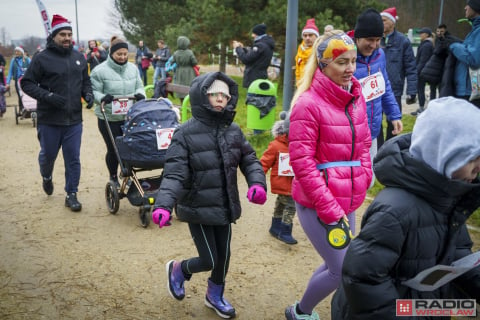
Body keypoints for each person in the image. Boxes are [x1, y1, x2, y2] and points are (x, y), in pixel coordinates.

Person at [331, 97, 480, 319]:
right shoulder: (394, 211)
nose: (479, 166)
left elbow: (458, 253)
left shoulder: (447, 200)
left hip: (422, 306)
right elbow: (362, 278)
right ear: (445, 154)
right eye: (473, 158)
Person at [150, 71, 267, 319]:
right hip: (197, 207)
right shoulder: (185, 133)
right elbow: (174, 174)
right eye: (214, 94)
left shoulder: (233, 130)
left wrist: (257, 183)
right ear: (202, 96)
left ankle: (214, 295)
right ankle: (179, 269)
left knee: (223, 257)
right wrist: (163, 205)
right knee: (210, 258)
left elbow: (250, 159)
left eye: (225, 95)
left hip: (224, 205)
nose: (220, 99)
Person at [284, 30, 373, 320]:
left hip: (346, 200)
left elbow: (364, 145)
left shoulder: (355, 98)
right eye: (341, 63)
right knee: (342, 269)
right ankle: (300, 312)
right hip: (317, 203)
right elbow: (302, 162)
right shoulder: (307, 104)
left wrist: (365, 176)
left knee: (337, 263)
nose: (350, 69)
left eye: (353, 61)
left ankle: (302, 308)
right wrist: (328, 206)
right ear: (323, 65)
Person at [20, 14, 93, 212]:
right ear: (54, 36)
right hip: (50, 120)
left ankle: (71, 194)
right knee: (48, 156)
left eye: (69, 34)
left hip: (74, 120)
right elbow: (26, 83)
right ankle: (46, 175)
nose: (67, 38)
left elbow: (85, 81)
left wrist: (88, 94)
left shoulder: (79, 57)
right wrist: (48, 96)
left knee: (73, 159)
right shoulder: (42, 58)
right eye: (63, 34)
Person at [352, 8, 403, 178]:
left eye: (378, 40)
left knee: (369, 179)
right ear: (357, 37)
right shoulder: (344, 55)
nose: (373, 45)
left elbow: (384, 85)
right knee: (350, 181)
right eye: (369, 39)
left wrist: (394, 115)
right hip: (349, 132)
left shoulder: (380, 54)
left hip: (372, 130)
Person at [90, 36, 145, 187]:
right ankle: (113, 176)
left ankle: (127, 175)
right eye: (118, 54)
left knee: (129, 148)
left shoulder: (133, 69)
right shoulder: (99, 71)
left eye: (125, 54)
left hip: (129, 117)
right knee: (114, 149)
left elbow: (139, 86)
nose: (122, 57)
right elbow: (94, 91)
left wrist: (141, 94)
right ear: (111, 53)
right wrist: (103, 97)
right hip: (108, 117)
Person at [379, 7, 417, 145]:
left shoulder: (403, 41)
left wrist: (412, 91)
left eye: (383, 20)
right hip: (375, 89)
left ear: (392, 22)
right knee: (376, 124)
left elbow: (411, 67)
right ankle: (377, 151)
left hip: (394, 90)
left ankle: (389, 151)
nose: (381, 23)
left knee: (393, 125)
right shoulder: (375, 40)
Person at [260, 111, 297, 245]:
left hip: (293, 183)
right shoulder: (276, 145)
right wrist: (257, 177)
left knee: (281, 204)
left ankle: (275, 227)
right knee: (291, 205)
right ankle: (285, 231)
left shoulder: (299, 146)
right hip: (281, 182)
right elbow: (265, 161)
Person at [449, 0, 480, 107]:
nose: (465, 8)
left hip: (471, 93)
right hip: (467, 90)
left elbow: (474, 60)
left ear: (476, 8)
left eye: (469, 5)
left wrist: (454, 45)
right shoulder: (475, 30)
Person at [233, 23, 275, 88]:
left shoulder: (260, 45)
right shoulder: (266, 44)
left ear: (257, 33)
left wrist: (237, 48)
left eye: (253, 33)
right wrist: (243, 48)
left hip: (254, 79)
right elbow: (254, 55)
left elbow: (246, 59)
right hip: (260, 76)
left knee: (253, 97)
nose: (252, 35)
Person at [411, 27, 434, 116]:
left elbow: (423, 60)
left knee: (420, 88)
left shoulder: (426, 45)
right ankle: (423, 107)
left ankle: (421, 108)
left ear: (427, 34)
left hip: (423, 71)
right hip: (425, 70)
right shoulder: (426, 43)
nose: (420, 34)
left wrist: (416, 71)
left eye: (422, 33)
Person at [170, 36, 198, 104]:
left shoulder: (176, 53)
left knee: (180, 86)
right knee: (190, 86)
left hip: (179, 71)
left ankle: (182, 103)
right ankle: (191, 104)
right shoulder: (189, 52)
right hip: (189, 72)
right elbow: (194, 62)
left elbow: (172, 61)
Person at [5, 46, 31, 112]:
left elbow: (32, 69)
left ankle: (29, 107)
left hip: (27, 80)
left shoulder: (27, 59)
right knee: (20, 95)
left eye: (18, 51)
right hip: (18, 81)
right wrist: (7, 83)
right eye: (15, 51)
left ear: (21, 52)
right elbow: (10, 72)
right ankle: (21, 108)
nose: (16, 53)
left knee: (28, 94)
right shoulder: (13, 60)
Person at [295, 18, 319, 86]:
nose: (307, 38)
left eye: (310, 35)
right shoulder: (300, 49)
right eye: (305, 35)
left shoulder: (319, 50)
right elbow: (297, 68)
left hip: (314, 86)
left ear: (316, 36)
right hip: (301, 85)